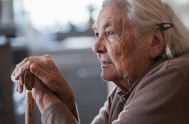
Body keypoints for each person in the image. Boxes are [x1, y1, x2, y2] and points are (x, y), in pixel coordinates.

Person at [12, 0, 189, 123]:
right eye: (97, 34)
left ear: (155, 40)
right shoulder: (124, 90)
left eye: (111, 32)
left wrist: (45, 98)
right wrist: (65, 101)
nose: (96, 47)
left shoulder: (174, 77)